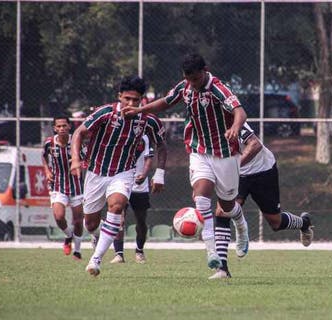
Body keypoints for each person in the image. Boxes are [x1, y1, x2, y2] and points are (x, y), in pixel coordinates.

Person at [122, 53, 249, 278]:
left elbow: (240, 111)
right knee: (201, 199)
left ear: (204, 71)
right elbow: (165, 102)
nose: (192, 84)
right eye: (188, 79)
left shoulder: (218, 88)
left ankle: (239, 221)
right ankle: (214, 257)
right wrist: (140, 110)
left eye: (196, 80)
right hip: (199, 150)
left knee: (227, 207)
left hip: (226, 153)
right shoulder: (185, 87)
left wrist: (236, 128)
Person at [70, 76, 167, 277]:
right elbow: (79, 133)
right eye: (127, 99)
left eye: (136, 100)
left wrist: (160, 174)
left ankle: (96, 260)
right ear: (119, 96)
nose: (131, 104)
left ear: (142, 101)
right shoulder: (105, 113)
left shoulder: (147, 120)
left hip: (123, 172)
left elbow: (161, 145)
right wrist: (75, 160)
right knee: (91, 224)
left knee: (117, 205)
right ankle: (100, 235)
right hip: (96, 172)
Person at [213, 122, 314, 279]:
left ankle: (304, 223)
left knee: (276, 222)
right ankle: (222, 269)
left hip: (263, 170)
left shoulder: (230, 120)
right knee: (223, 211)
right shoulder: (202, 126)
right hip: (238, 175)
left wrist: (234, 166)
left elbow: (255, 144)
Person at [42, 116, 85, 260]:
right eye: (58, 126)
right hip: (58, 185)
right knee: (59, 217)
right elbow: (43, 157)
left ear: (69, 127)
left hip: (76, 186)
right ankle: (68, 236)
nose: (61, 129)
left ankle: (77, 251)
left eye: (64, 126)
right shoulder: (49, 143)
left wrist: (79, 165)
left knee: (78, 221)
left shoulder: (76, 141)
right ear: (54, 128)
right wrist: (47, 171)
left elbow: (86, 158)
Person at [110, 135, 154, 264]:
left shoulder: (144, 137)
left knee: (141, 221)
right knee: (119, 218)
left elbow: (149, 158)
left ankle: (139, 251)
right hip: (121, 183)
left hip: (140, 187)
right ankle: (119, 254)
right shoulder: (117, 136)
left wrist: (144, 175)